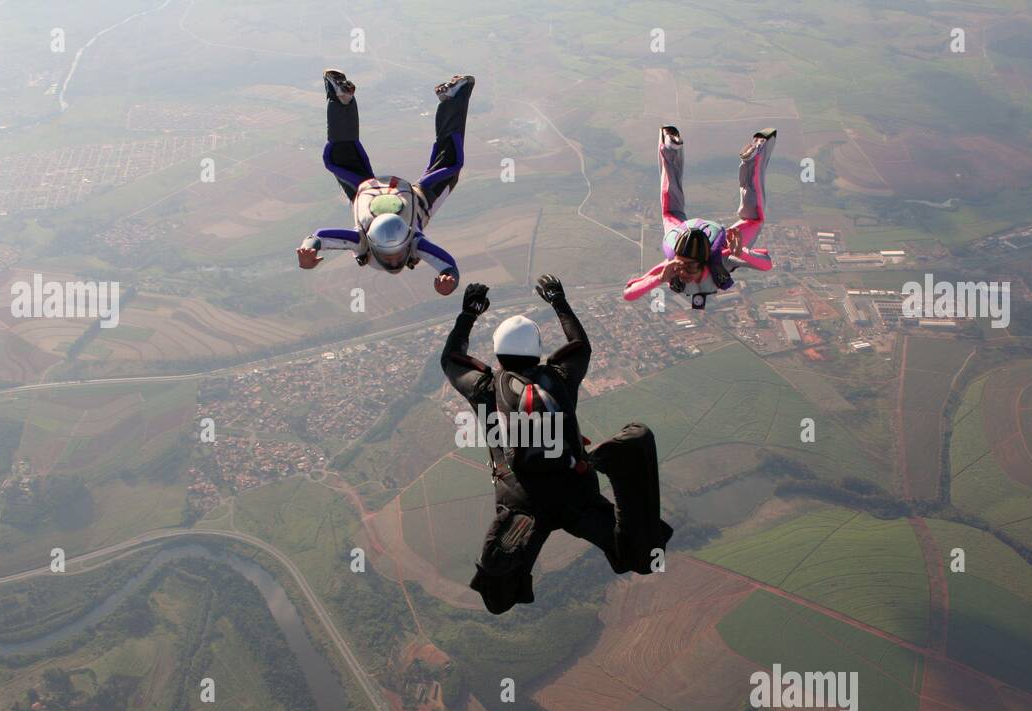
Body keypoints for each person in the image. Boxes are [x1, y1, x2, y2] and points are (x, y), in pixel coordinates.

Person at [441, 275, 674, 614]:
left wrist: (469, 314)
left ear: (497, 353)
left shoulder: (486, 388)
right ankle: (620, 459)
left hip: (522, 498)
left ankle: (508, 552)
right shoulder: (559, 377)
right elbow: (580, 345)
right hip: (575, 487)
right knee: (640, 556)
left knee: (497, 596)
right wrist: (558, 301)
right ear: (537, 350)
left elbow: (451, 359)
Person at [298, 70, 474, 296]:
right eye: (396, 255)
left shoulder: (362, 240)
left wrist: (308, 250)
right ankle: (340, 98)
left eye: (393, 255)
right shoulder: (414, 243)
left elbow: (318, 237)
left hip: (371, 190)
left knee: (449, 164)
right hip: (404, 195)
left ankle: (341, 98)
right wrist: (450, 280)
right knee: (450, 164)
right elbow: (447, 265)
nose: (393, 261)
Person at [624, 126, 777, 309]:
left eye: (687, 268)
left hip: (685, 234)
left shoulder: (679, 265)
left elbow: (630, 294)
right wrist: (740, 252)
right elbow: (766, 265)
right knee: (753, 219)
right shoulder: (708, 261)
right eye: (683, 266)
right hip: (695, 236)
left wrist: (659, 278)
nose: (683, 273)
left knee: (671, 210)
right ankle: (754, 157)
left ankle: (671, 149)